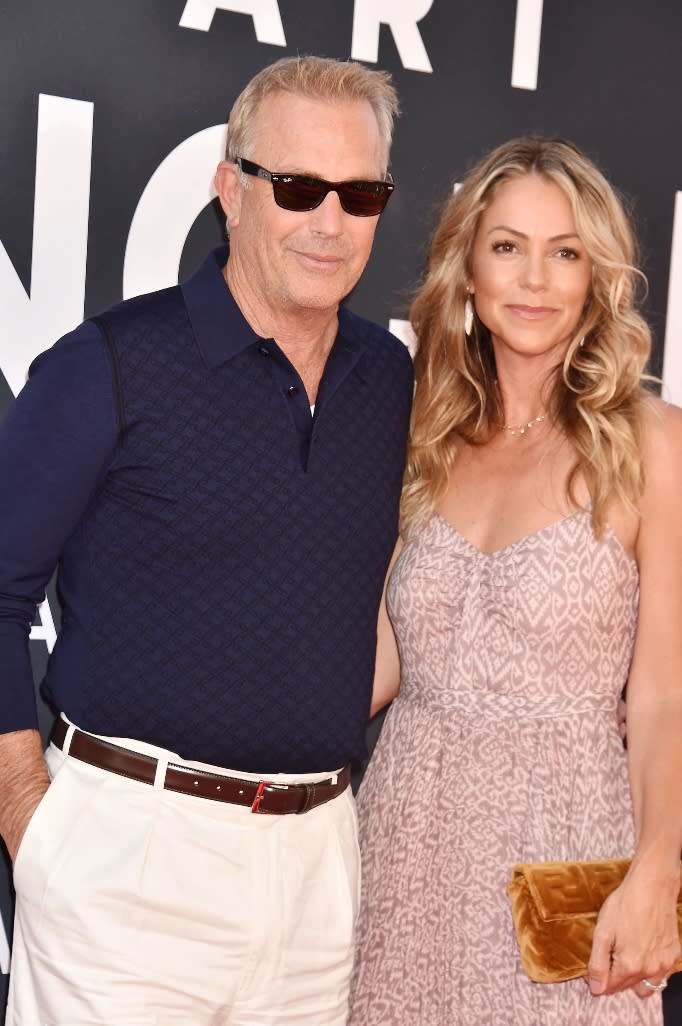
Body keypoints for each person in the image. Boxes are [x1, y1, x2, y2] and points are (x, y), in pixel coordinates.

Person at [0, 56, 413, 1025]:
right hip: (128, 860)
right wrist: (29, 815)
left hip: (318, 868)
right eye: (299, 187)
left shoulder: (391, 382)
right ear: (230, 189)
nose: (328, 222)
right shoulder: (113, 364)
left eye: (358, 194)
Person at [348, 137, 682, 1025]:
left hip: (566, 846)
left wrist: (658, 867)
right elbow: (377, 668)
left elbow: (660, 696)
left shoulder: (651, 442)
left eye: (564, 251)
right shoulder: (423, 436)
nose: (535, 278)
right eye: (508, 246)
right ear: (468, 267)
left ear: (595, 275)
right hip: (405, 840)